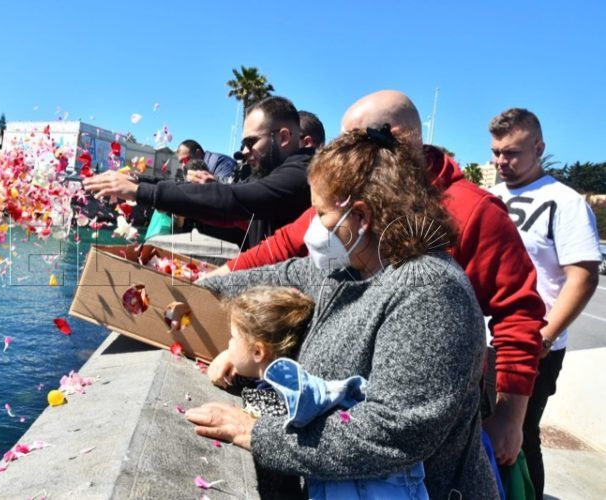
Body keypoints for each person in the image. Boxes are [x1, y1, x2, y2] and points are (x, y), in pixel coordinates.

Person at [208, 90, 547, 468]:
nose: (316, 227)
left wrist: (510, 416)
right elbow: (284, 259)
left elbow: (395, 429)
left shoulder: (436, 278)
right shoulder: (353, 240)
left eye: (356, 141)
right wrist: (202, 286)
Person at [188, 128, 498, 498]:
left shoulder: (432, 293)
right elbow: (278, 275)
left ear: (361, 216)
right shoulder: (346, 267)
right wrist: (187, 290)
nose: (314, 228)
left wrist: (252, 432)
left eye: (321, 213)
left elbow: (391, 432)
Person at [488, 108, 601, 500]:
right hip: (486, 340)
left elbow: (583, 277)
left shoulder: (564, 202)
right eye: (496, 152)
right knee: (481, 434)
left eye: (513, 153)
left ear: (539, 147)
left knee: (519, 437)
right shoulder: (491, 198)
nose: (502, 161)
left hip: (535, 344)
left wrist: (547, 335)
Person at [224, 285, 429, 499]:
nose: (227, 345)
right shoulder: (301, 384)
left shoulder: (294, 396)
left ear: (258, 351)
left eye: (232, 337)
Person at [83, 96, 314, 249]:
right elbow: (225, 194)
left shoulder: (302, 172)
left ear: (284, 137)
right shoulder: (273, 174)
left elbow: (233, 199)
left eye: (251, 142)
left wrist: (140, 192)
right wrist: (140, 179)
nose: (244, 151)